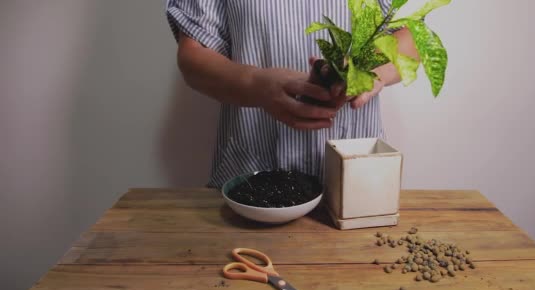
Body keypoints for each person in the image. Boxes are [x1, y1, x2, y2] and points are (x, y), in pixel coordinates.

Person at [166, 0, 418, 188]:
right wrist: (255, 84)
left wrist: (369, 73)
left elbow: (411, 35)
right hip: (251, 173)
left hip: (357, 177)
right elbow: (193, 54)